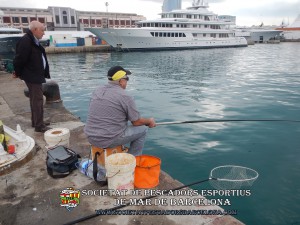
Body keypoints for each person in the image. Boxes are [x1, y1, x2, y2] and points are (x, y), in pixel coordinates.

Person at [84, 65, 156, 156]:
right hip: (108, 140)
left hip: (90, 137)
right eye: (127, 79)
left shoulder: (97, 90)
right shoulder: (125, 96)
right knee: (143, 129)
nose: (127, 82)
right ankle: (133, 159)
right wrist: (149, 121)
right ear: (121, 81)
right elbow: (136, 122)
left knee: (124, 125)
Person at [13, 21, 51, 133]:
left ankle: (37, 122)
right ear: (35, 30)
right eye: (42, 30)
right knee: (38, 100)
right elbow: (19, 59)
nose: (43, 33)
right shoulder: (26, 41)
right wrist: (17, 72)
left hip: (35, 74)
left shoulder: (33, 40)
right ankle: (39, 126)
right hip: (32, 75)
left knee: (35, 100)